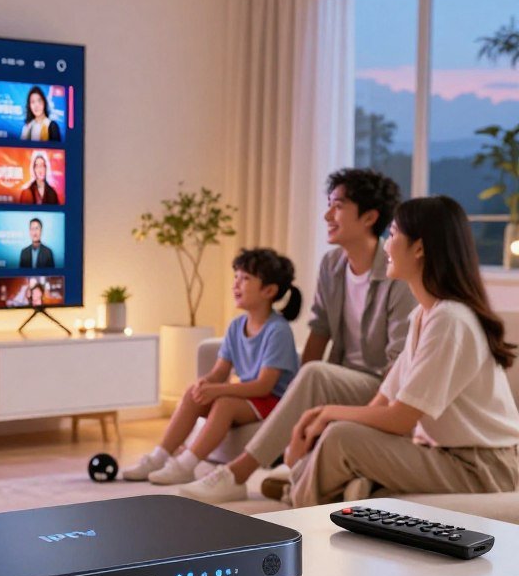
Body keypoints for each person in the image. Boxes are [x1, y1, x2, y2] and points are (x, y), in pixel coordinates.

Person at [177, 168, 417, 503]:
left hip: (380, 386)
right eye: (328, 205)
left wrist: (319, 387)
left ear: (370, 217)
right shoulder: (332, 265)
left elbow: (398, 363)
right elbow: (319, 329)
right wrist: (296, 395)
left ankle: (237, 473)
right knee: (312, 372)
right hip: (339, 377)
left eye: (337, 206)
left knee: (315, 372)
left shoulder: (396, 276)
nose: (327, 215)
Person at [284, 196, 519, 507]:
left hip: (484, 467)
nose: (385, 246)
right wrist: (321, 421)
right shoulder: (424, 315)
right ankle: (312, 486)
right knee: (340, 436)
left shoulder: (450, 319)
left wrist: (327, 413)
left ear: (419, 248)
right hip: (445, 455)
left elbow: (399, 419)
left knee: (341, 439)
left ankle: (297, 511)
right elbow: (382, 401)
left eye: (392, 235)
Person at [124, 249, 302, 489]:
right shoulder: (236, 325)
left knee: (224, 402)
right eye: (236, 277)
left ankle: (185, 465)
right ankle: (158, 457)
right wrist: (206, 383)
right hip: (250, 397)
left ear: (269, 291)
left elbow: (265, 386)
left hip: (273, 400)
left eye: (245, 279)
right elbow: (220, 372)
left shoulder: (277, 331)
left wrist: (218, 390)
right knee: (192, 393)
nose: (236, 284)